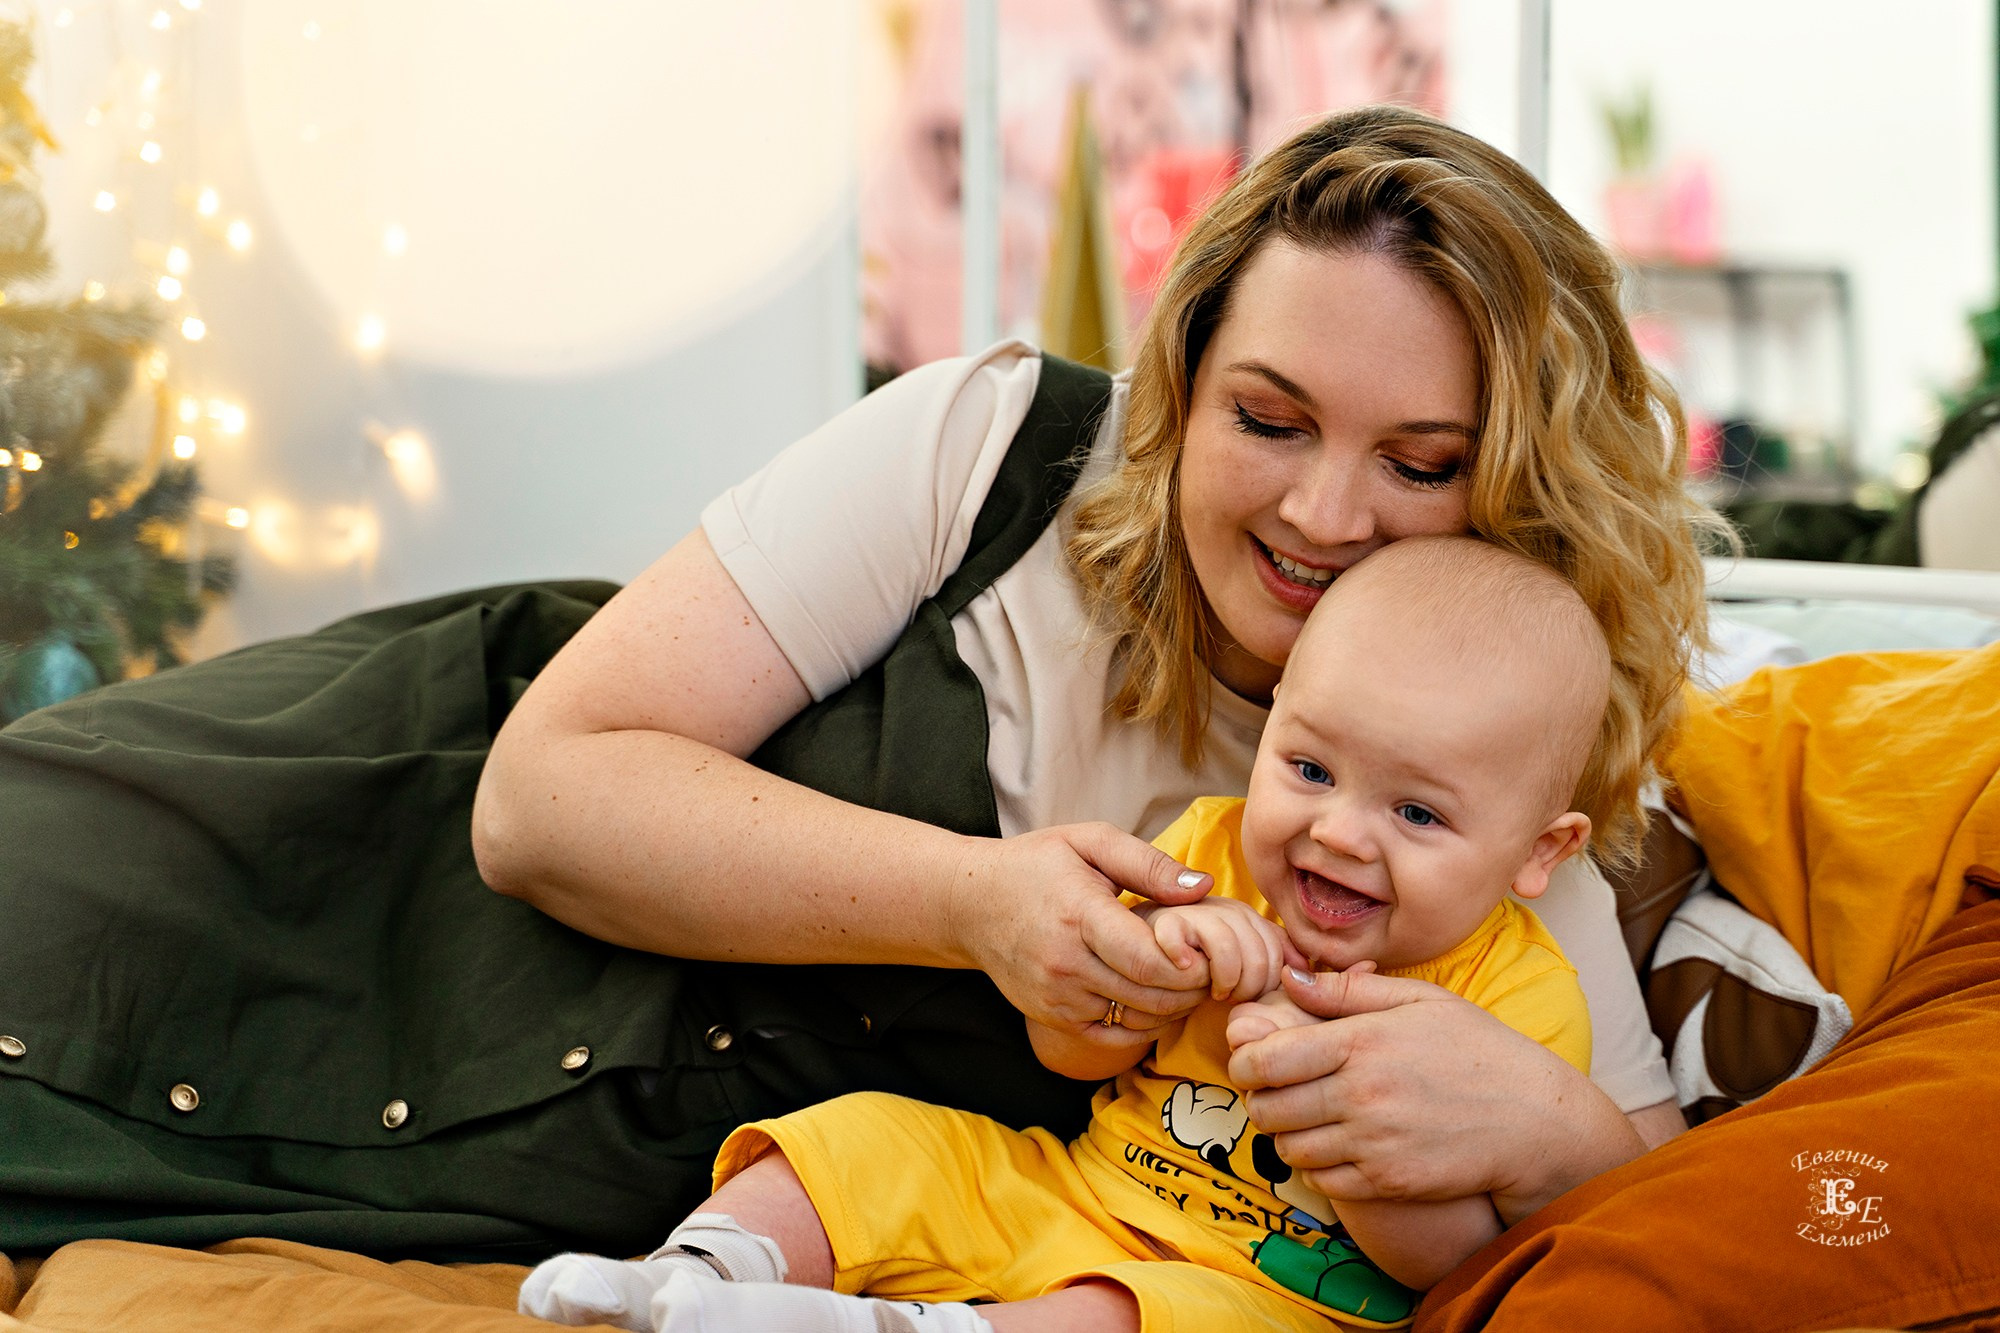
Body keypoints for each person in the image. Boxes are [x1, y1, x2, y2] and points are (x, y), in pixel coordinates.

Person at [0, 105, 1712, 1257]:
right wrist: (979, 903)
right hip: (340, 839)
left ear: (1521, 482)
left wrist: (1557, 1140)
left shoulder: (1490, 766)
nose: (1325, 514)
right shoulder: (996, 449)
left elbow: (1641, 1182)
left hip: (492, 1154)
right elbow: (541, 795)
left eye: (1421, 462)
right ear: (1186, 383)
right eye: (1266, 421)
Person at [513, 535, 1609, 1333]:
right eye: (1309, 768)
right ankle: (689, 1276)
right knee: (870, 1141)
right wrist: (1157, 975)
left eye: (1414, 814)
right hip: (1077, 1188)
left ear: (1536, 852)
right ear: (1268, 726)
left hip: (1260, 1297)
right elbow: (1069, 1052)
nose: (1336, 830)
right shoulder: (1207, 853)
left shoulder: (1515, 1003)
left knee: (1128, 1321)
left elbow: (1457, 1265)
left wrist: (1323, 1097)